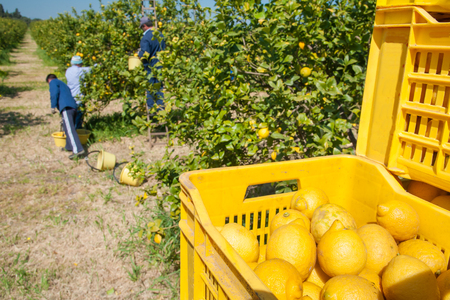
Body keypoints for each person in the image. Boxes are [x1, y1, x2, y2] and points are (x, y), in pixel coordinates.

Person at [46, 74, 85, 160]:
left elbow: (54, 93)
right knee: (67, 128)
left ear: (49, 80)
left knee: (70, 130)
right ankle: (69, 146)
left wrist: (53, 106)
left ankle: (78, 150)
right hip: (73, 107)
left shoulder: (53, 82)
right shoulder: (62, 83)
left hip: (67, 108)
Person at [138, 17, 166, 111]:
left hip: (150, 66)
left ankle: (152, 110)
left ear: (144, 26)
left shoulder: (146, 37)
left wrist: (139, 54)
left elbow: (146, 54)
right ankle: (161, 109)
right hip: (160, 65)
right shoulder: (160, 35)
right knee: (159, 88)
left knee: (150, 88)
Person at [65, 55, 93, 129]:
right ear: (78, 64)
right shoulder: (79, 71)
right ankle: (77, 132)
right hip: (79, 97)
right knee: (78, 117)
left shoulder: (68, 70)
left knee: (72, 117)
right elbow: (92, 69)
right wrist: (99, 65)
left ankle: (73, 131)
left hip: (70, 97)